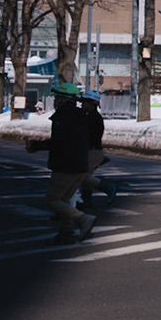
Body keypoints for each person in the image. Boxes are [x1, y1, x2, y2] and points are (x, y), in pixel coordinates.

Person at [43, 83, 97, 244]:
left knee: (53, 199)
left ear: (63, 99)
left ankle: (82, 218)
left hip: (65, 164)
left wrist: (36, 145)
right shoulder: (82, 116)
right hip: (80, 164)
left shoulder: (62, 116)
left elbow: (58, 142)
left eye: (57, 97)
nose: (55, 100)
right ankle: (66, 232)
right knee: (64, 199)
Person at [75, 90, 116, 208]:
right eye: (83, 102)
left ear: (93, 104)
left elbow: (89, 136)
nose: (83, 105)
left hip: (92, 151)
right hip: (90, 150)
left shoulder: (93, 118)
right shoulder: (87, 117)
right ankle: (86, 201)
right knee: (85, 175)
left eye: (86, 103)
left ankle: (108, 188)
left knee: (81, 176)